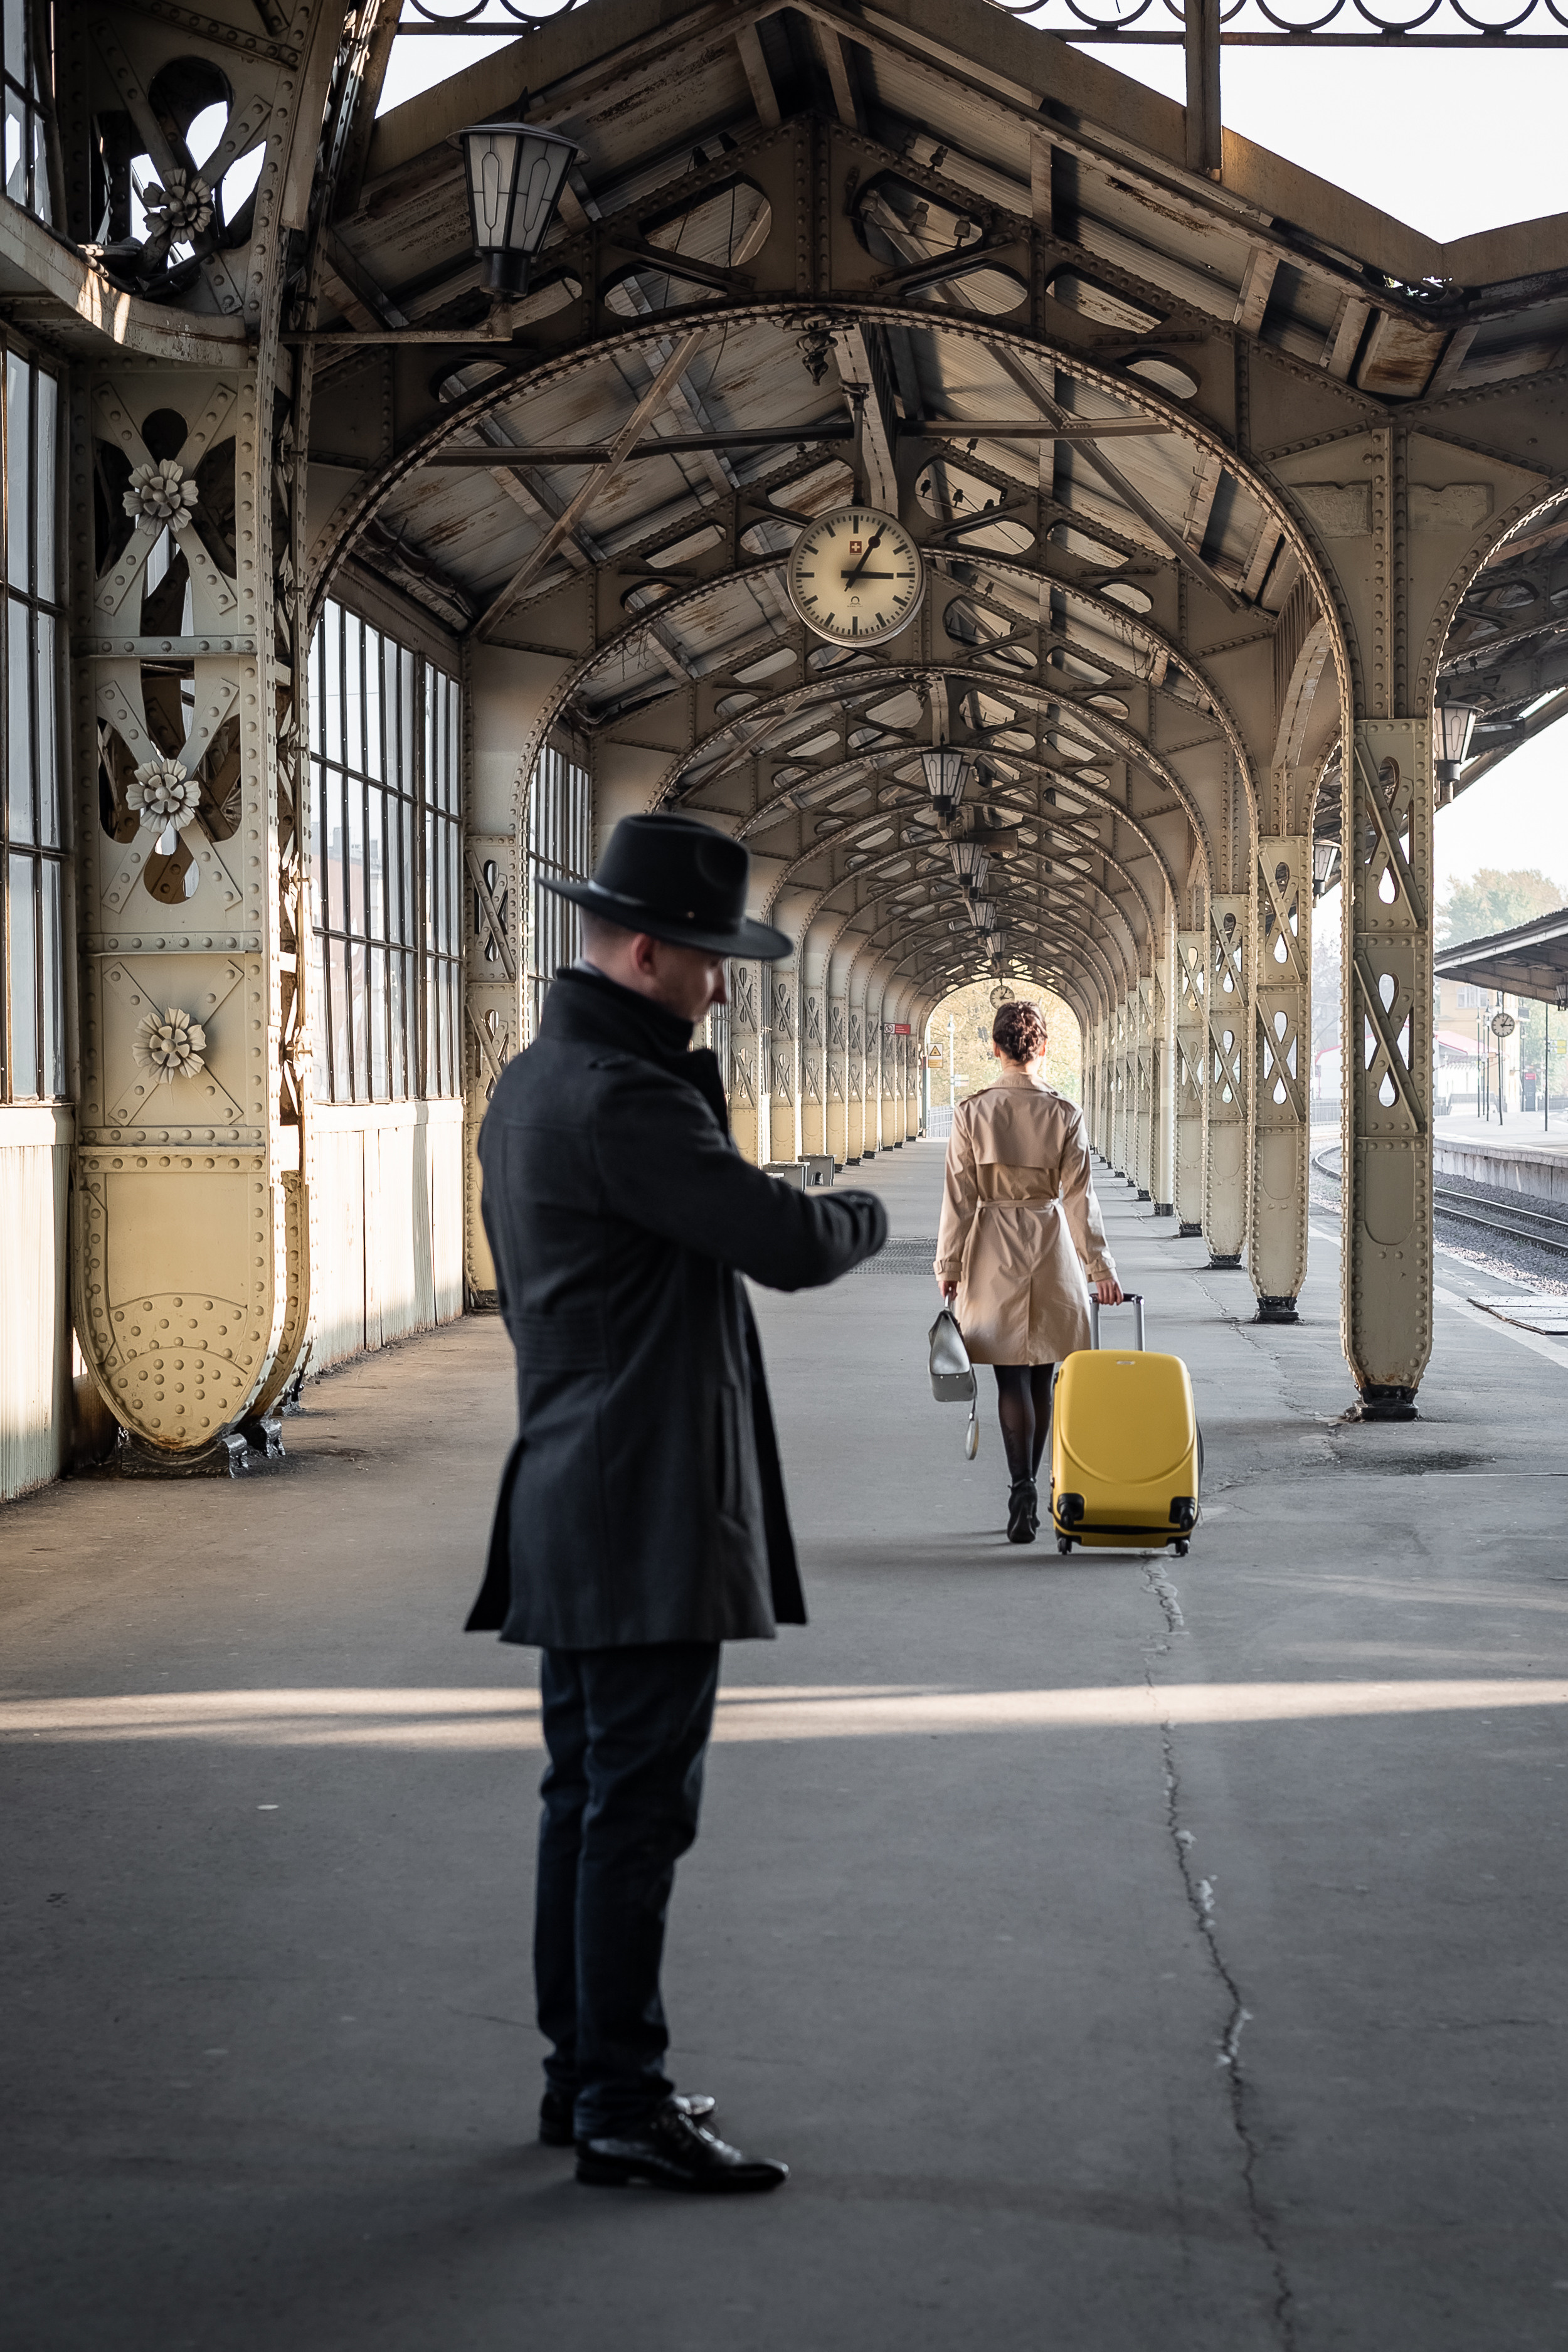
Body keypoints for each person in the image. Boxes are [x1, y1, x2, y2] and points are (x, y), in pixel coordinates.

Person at [467, 812, 887, 2195]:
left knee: (584, 1799)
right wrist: (867, 1217)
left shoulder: (535, 1081)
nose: (721, 984)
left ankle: (574, 2080)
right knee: (638, 1812)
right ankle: (622, 2103)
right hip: (638, 1507)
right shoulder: (626, 1099)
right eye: (706, 959)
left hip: (568, 1485)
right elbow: (780, 1239)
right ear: (644, 952)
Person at [934, 999, 1121, 1545]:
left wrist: (949, 1264)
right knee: (1043, 1373)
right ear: (1043, 1048)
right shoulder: (1064, 1113)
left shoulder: (972, 1112)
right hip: (1048, 1243)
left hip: (990, 1247)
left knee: (1009, 1377)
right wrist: (1100, 1267)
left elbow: (959, 1199)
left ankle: (1019, 1488)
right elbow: (1083, 1199)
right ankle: (1031, 1489)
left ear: (994, 1048)